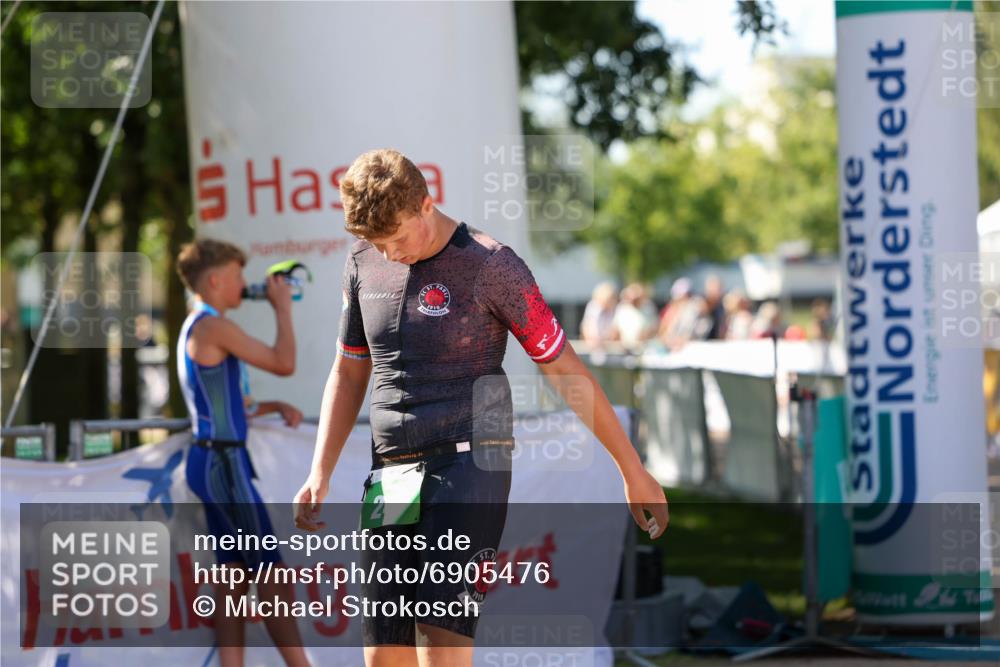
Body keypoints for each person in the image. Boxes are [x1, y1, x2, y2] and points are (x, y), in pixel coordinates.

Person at [293, 149, 668, 667]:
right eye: (377, 243)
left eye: (397, 238)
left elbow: (565, 370)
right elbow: (350, 369)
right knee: (384, 654)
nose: (390, 252)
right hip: (392, 472)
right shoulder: (362, 261)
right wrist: (320, 470)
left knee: (439, 647)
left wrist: (632, 469)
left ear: (427, 205)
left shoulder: (493, 265)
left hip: (468, 464)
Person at [175, 238, 310, 667]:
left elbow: (228, 403)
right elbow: (282, 362)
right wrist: (282, 307)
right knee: (271, 572)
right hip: (223, 463)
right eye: (236, 276)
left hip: (213, 459)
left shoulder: (199, 325)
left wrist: (273, 407)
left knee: (233, 575)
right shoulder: (213, 326)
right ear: (215, 280)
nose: (244, 285)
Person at [580, 281, 618, 348]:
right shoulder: (593, 308)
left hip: (608, 346)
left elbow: (615, 330)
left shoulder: (613, 310)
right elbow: (589, 329)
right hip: (594, 347)